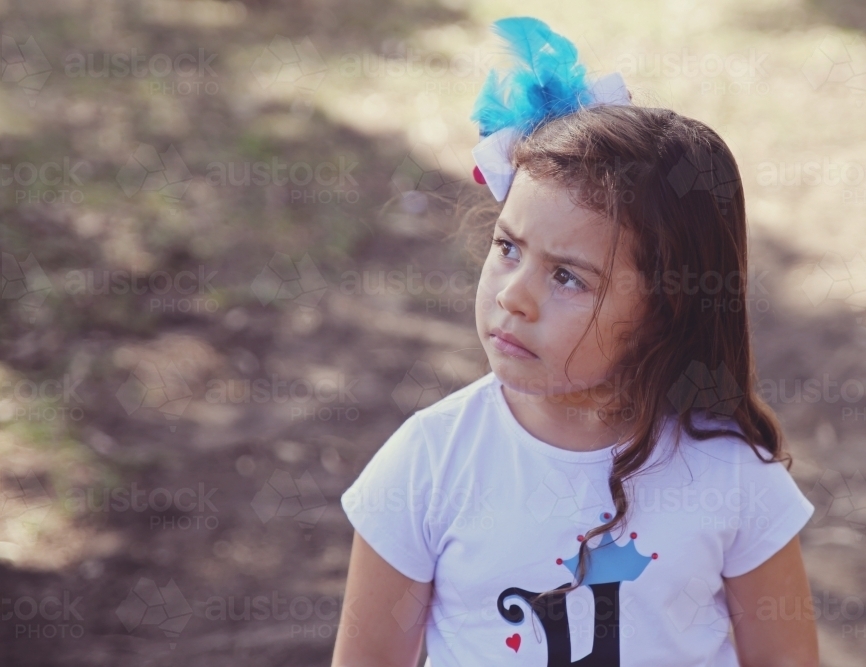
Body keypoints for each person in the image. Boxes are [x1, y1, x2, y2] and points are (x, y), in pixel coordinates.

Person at [331, 17, 819, 667]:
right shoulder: (428, 464)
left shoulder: (730, 477)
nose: (513, 295)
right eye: (508, 248)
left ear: (667, 306)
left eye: (567, 277)